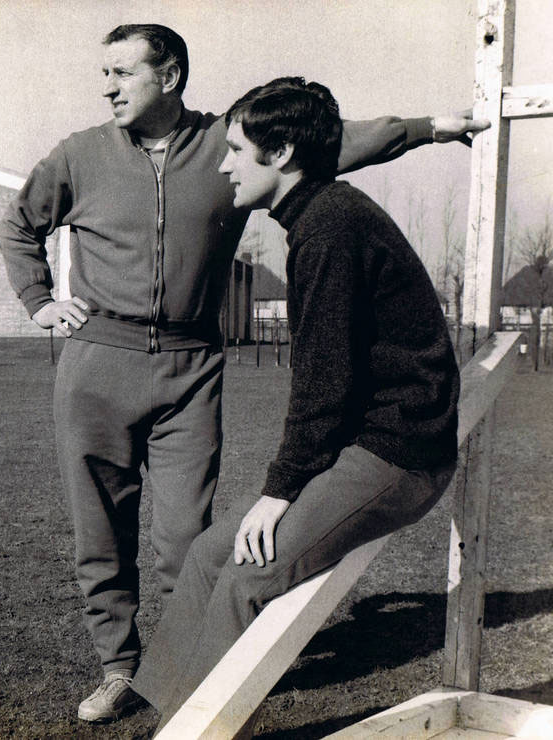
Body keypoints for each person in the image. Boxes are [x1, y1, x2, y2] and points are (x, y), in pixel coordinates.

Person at [0, 24, 486, 723]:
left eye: (121, 72)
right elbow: (18, 224)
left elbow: (332, 142)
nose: (106, 85)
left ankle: (194, 683)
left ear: (168, 76)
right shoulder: (78, 155)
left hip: (192, 364)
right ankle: (124, 673)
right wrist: (40, 302)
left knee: (188, 545)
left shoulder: (237, 147)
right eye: (102, 73)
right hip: (99, 359)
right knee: (100, 532)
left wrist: (427, 127)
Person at [130, 76, 462, 731]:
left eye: (234, 149)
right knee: (206, 556)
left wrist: (278, 494)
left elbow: (323, 386)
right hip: (358, 443)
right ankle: (169, 719)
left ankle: (205, 730)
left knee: (249, 576)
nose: (223, 163)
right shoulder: (317, 216)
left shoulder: (331, 227)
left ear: (279, 154)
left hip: (401, 452)